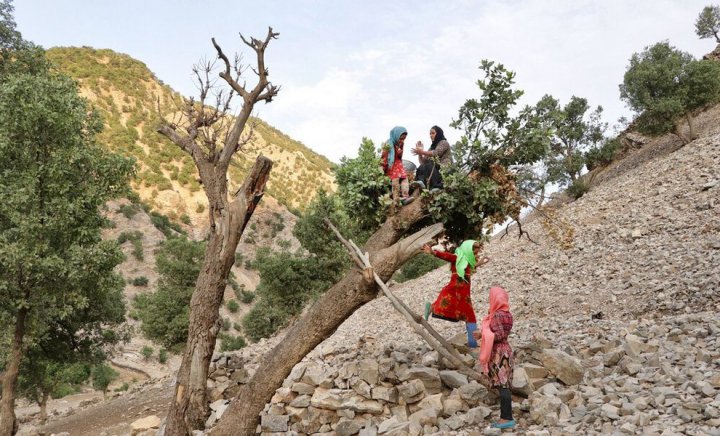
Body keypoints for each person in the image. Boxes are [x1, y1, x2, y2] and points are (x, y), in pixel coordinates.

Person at [420, 240, 490, 348]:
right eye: (473, 251)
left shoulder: (466, 261)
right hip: (453, 291)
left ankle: (472, 343)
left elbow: (470, 267)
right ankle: (431, 307)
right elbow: (446, 256)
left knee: (470, 317)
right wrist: (433, 252)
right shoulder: (457, 258)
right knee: (447, 309)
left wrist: (481, 262)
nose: (475, 254)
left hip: (464, 296)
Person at [473, 286, 515, 429]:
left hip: (499, 353)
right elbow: (504, 334)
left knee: (502, 384)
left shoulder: (497, 315)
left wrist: (481, 335)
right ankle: (506, 416)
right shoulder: (508, 314)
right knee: (505, 383)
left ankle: (506, 418)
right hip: (506, 351)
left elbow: (499, 335)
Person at [380, 126, 413, 210]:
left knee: (404, 178)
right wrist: (382, 168)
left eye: (404, 139)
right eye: (401, 139)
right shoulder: (388, 144)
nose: (402, 141)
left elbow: (400, 156)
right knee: (396, 179)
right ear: (396, 135)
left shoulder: (401, 143)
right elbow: (384, 157)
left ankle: (405, 197)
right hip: (390, 164)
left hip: (398, 163)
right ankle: (396, 199)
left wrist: (400, 153)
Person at [412, 125, 452, 190]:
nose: (431, 135)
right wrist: (420, 154)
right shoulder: (431, 148)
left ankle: (437, 186)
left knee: (429, 165)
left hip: (444, 171)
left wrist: (421, 151)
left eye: (433, 133)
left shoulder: (444, 143)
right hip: (433, 171)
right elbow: (423, 162)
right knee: (422, 166)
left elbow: (436, 153)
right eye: (430, 134)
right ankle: (420, 182)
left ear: (438, 133)